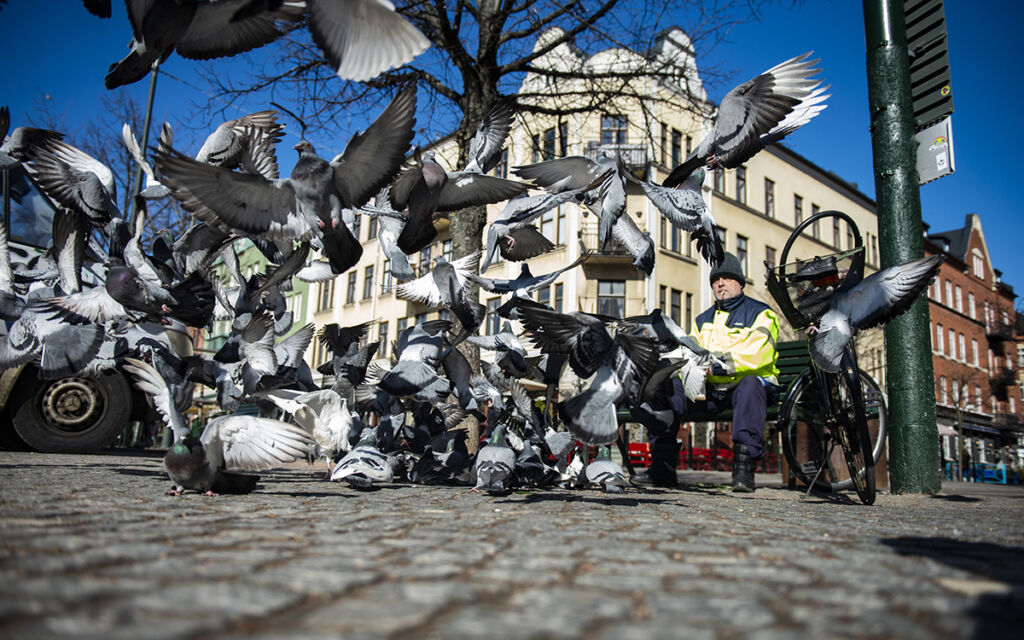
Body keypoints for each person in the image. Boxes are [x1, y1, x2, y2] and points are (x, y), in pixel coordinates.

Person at [632, 253, 780, 492]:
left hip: (750, 387)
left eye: (726, 278)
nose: (720, 283)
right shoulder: (703, 319)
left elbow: (757, 354)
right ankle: (663, 467)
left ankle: (743, 471)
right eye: (715, 280)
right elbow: (691, 351)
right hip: (711, 390)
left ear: (739, 283)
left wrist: (718, 364)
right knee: (666, 388)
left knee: (750, 384)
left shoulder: (762, 313)